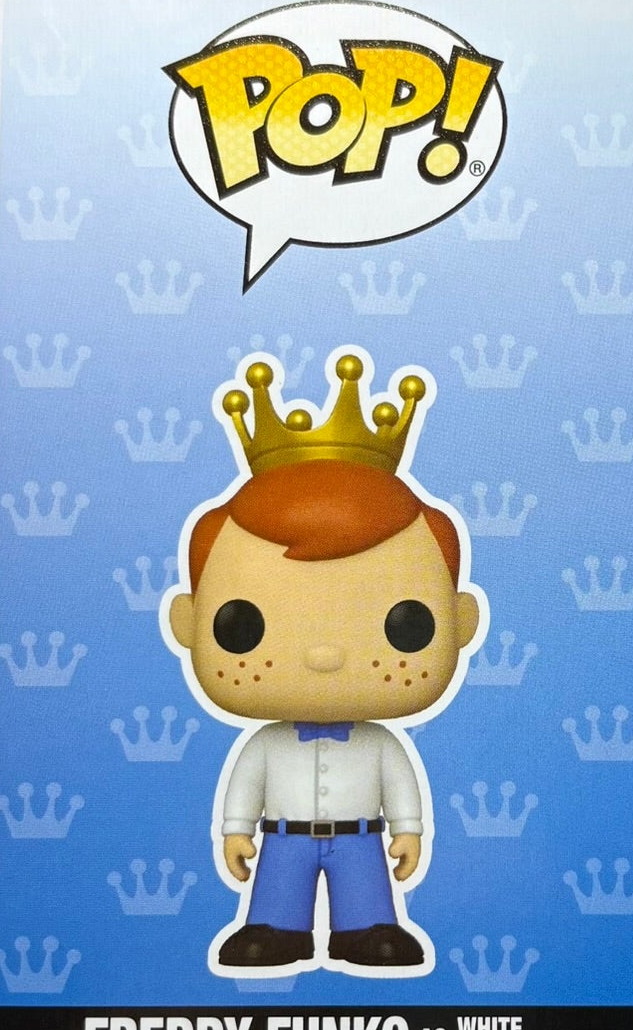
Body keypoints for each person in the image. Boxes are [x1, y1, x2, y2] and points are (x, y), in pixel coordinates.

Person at [163, 352, 483, 972]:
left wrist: (408, 829)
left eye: (406, 625)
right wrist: (236, 829)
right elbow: (246, 786)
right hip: (282, 840)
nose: (324, 654)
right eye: (242, 626)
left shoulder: (381, 745)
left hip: (361, 839)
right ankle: (273, 929)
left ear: (461, 621)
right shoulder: (265, 746)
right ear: (187, 622)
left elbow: (400, 785)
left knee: (368, 905)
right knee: (274, 901)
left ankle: (368, 929)